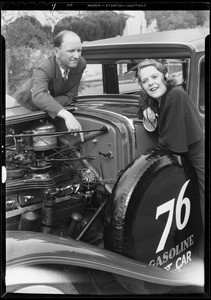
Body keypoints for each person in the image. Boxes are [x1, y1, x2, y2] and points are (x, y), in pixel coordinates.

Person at [137, 59, 205, 231]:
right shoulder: (157, 95)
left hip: (199, 152)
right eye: (145, 81)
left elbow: (168, 141)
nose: (151, 83)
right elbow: (143, 96)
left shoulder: (175, 95)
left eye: (154, 77)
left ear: (165, 76)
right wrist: (146, 107)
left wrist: (144, 160)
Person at [31, 30, 86, 142]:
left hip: (47, 110)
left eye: (79, 50)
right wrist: (67, 115)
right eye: (71, 51)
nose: (76, 56)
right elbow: (38, 97)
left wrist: (49, 101)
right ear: (57, 51)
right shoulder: (45, 67)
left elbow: (71, 96)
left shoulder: (80, 64)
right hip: (26, 109)